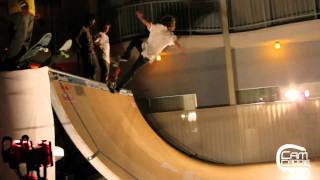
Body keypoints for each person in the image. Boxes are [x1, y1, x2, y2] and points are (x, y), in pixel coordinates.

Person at [109, 11, 182, 92]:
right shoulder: (170, 35)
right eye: (174, 25)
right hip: (147, 56)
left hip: (144, 49)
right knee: (132, 70)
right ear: (171, 25)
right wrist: (182, 50)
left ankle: (126, 55)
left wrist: (140, 17)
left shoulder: (158, 27)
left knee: (135, 41)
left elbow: (147, 23)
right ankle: (118, 88)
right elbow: (176, 42)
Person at [76, 14, 101, 81]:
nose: (93, 23)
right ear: (90, 21)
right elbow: (76, 38)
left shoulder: (88, 29)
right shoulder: (82, 28)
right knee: (90, 69)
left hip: (92, 51)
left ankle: (91, 80)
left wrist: (95, 37)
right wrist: (80, 47)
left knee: (95, 68)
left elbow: (89, 39)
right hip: (87, 52)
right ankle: (89, 81)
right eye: (93, 22)